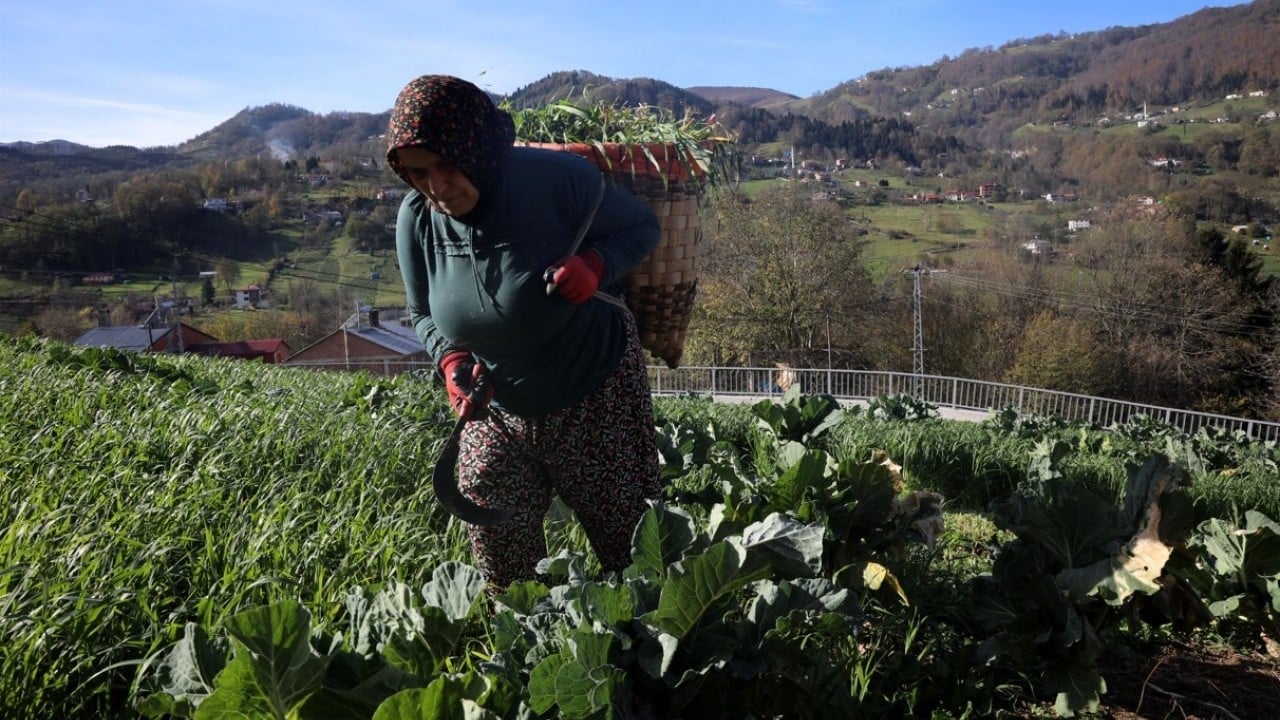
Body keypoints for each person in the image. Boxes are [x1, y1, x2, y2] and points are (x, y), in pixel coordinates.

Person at [386, 74, 664, 592]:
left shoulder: (555, 180)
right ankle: (528, 654)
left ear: (477, 149)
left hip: (592, 391)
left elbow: (643, 227)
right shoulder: (418, 219)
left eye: (448, 166)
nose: (437, 187)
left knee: (630, 550)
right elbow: (420, 310)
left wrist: (595, 265)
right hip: (496, 407)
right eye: (419, 173)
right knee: (500, 550)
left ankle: (647, 659)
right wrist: (450, 362)